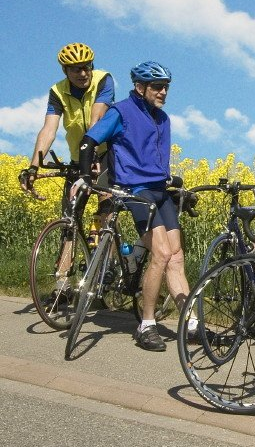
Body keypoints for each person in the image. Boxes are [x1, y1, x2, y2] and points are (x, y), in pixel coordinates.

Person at [74, 61, 190, 352]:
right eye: (157, 87)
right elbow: (89, 141)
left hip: (159, 191)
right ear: (140, 87)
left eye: (166, 87)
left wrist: (172, 182)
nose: (163, 92)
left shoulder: (163, 118)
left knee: (176, 257)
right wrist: (85, 177)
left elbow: (153, 158)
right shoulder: (121, 111)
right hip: (136, 191)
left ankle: (191, 323)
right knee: (161, 253)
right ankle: (146, 325)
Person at [19, 42, 114, 236]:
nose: (83, 73)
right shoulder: (57, 91)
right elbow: (48, 129)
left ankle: (107, 250)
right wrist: (33, 167)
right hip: (78, 158)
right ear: (65, 70)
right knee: (69, 221)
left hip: (105, 152)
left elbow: (96, 120)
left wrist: (92, 153)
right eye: (76, 69)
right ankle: (65, 257)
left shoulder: (103, 79)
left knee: (107, 210)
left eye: (87, 67)